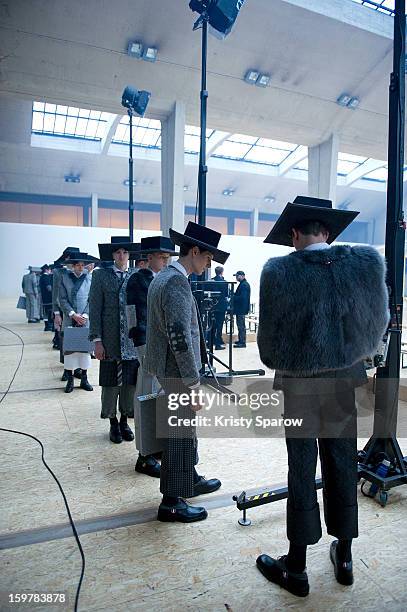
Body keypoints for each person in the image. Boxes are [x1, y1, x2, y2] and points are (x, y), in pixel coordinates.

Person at [256, 195, 389, 597]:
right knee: (342, 461)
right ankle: (344, 558)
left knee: (301, 467)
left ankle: (296, 567)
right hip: (343, 383)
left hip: (299, 386)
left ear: (294, 233)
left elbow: (268, 345)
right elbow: (378, 322)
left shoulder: (278, 271)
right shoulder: (364, 264)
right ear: (328, 232)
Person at [144, 222, 229, 522]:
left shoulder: (164, 277)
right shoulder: (176, 283)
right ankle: (171, 502)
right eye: (207, 258)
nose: (209, 264)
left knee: (184, 431)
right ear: (194, 251)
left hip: (166, 367)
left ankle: (188, 477)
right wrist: (192, 384)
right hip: (176, 371)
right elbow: (179, 336)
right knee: (178, 433)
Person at [126, 236, 178, 477]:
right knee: (146, 394)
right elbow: (133, 314)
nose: (165, 261)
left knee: (154, 394)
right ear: (149, 257)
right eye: (162, 257)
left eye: (167, 257)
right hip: (147, 344)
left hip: (159, 344)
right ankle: (144, 455)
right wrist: (141, 341)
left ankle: (152, 451)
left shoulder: (161, 278)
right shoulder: (138, 279)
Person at [89, 237, 140, 446]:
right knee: (110, 383)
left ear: (129, 255)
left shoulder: (136, 275)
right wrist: (97, 341)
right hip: (109, 338)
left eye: (125, 252)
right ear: (112, 255)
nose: (121, 256)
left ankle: (124, 421)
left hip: (130, 339)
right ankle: (112, 421)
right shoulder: (100, 275)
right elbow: (94, 308)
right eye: (118, 252)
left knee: (129, 383)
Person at [59, 252, 95, 393]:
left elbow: (92, 299)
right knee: (70, 352)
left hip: (85, 319)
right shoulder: (65, 278)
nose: (80, 268)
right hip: (70, 318)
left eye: (82, 265)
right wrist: (73, 314)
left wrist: (84, 315)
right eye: (77, 265)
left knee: (84, 351)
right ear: (72, 266)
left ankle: (84, 379)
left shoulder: (90, 279)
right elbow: (62, 299)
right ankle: (70, 380)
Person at [211, 266, 228, 350]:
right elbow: (226, 295)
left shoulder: (211, 281)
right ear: (222, 272)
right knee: (219, 325)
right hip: (221, 306)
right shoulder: (224, 282)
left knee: (213, 324)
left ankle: (211, 342)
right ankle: (218, 344)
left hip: (213, 306)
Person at [233, 271, 250, 348]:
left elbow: (242, 298)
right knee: (240, 325)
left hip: (241, 309)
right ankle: (241, 340)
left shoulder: (244, 285)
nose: (236, 277)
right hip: (241, 309)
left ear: (243, 276)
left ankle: (242, 342)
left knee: (241, 326)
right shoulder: (243, 284)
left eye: (237, 276)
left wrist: (233, 297)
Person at [39, 264, 53, 331]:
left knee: (46, 312)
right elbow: (49, 288)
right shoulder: (46, 277)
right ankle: (49, 325)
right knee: (49, 312)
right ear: (46, 270)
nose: (50, 271)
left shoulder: (41, 277)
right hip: (49, 298)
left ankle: (47, 326)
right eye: (50, 270)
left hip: (44, 298)